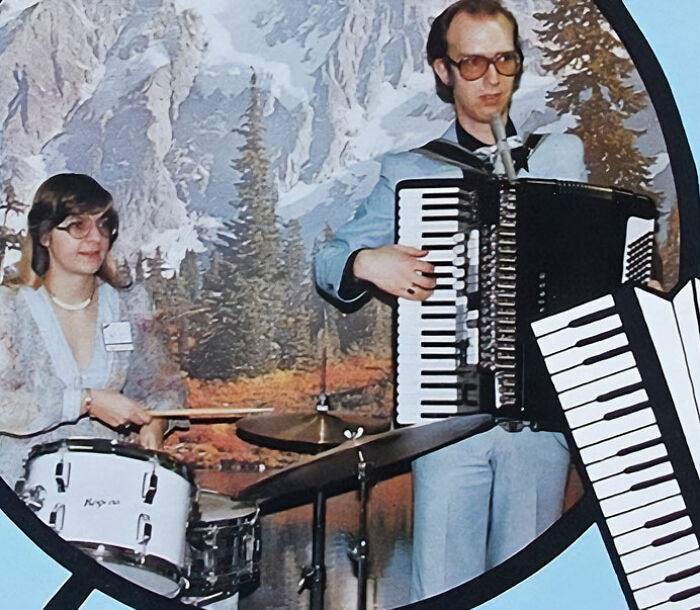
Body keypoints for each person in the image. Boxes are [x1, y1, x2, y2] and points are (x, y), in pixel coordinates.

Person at [314, 0, 586, 602]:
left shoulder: (561, 157)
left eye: (505, 60)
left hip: (540, 423)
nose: (491, 78)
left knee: (528, 596)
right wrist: (366, 262)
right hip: (447, 421)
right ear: (443, 70)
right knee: (442, 590)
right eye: (472, 63)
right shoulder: (410, 171)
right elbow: (328, 261)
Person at [0, 173, 186, 486]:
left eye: (103, 225)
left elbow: (161, 387)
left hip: (109, 487)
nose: (95, 238)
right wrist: (85, 401)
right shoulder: (9, 309)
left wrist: (155, 423)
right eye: (77, 226)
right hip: (17, 494)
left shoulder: (129, 306)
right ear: (45, 235)